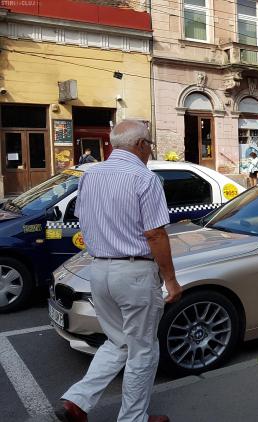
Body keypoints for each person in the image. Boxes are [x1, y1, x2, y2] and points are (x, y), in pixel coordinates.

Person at [56, 120, 183, 422]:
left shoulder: (90, 174)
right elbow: (155, 234)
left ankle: (76, 401)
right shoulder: (144, 178)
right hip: (134, 273)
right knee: (143, 350)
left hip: (99, 269)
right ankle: (133, 418)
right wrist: (170, 280)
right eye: (149, 145)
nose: (149, 151)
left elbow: (84, 219)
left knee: (118, 341)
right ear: (140, 145)